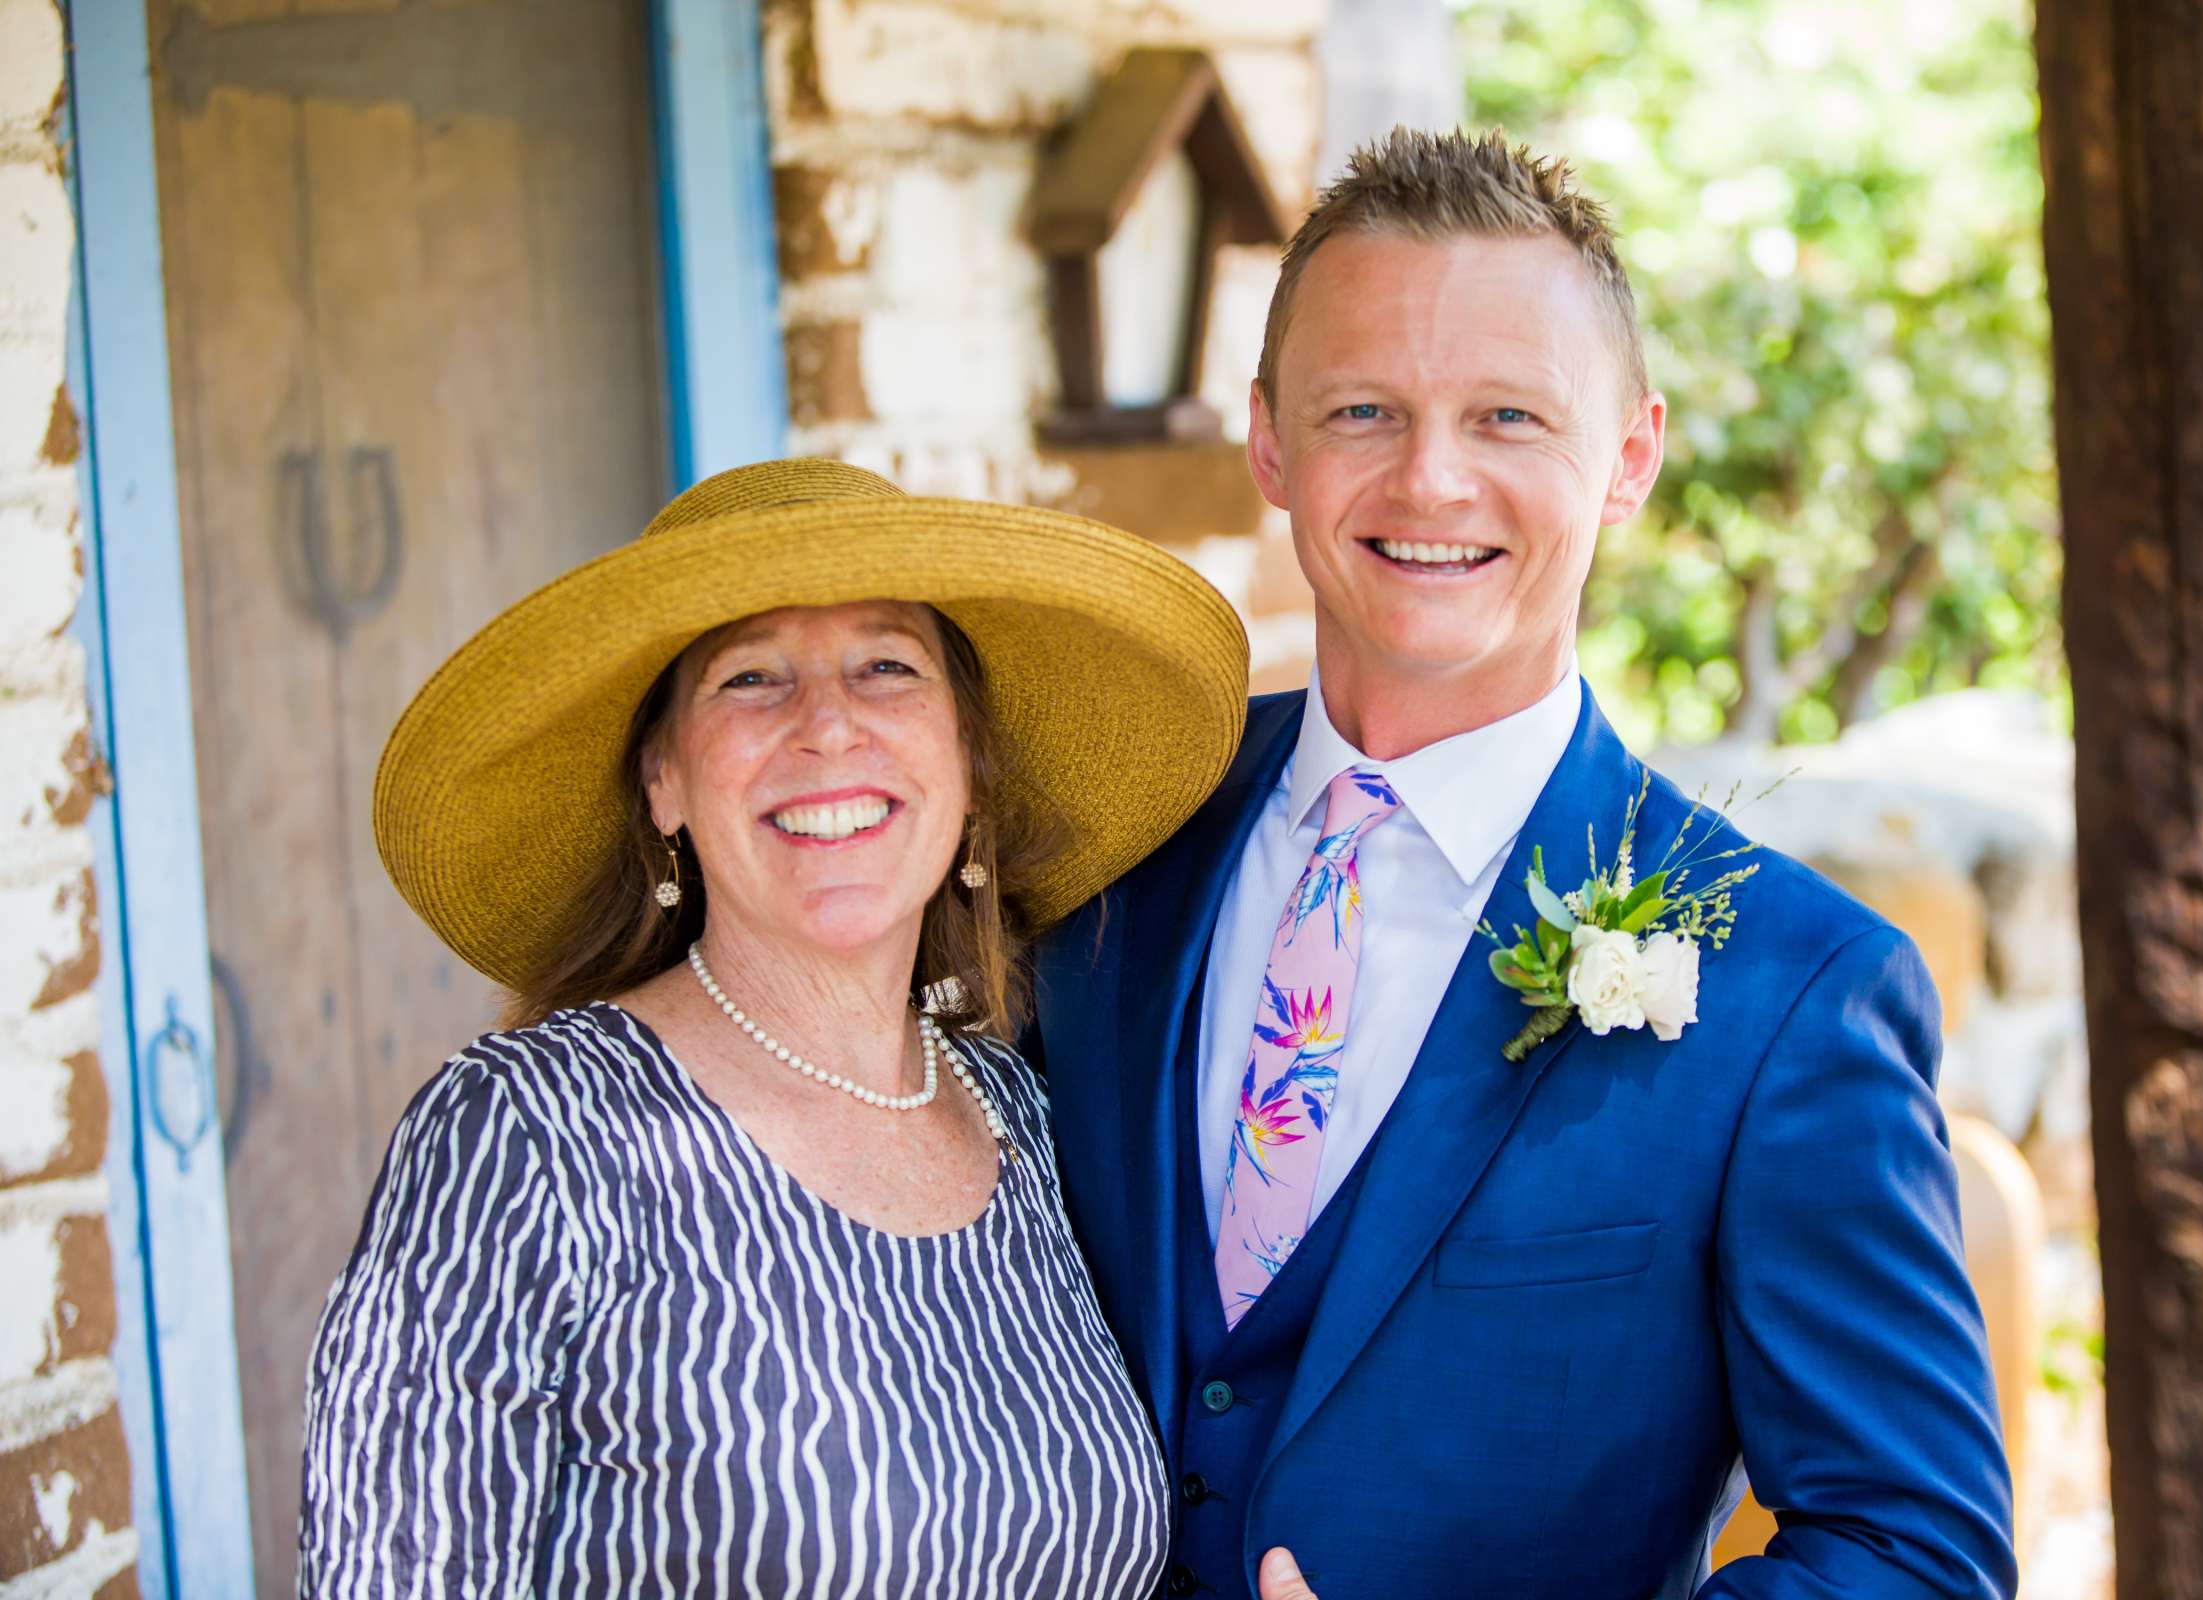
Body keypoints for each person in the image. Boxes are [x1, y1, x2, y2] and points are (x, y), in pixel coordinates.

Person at [1032, 129, 2018, 1598]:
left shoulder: (1793, 994)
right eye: (1363, 409)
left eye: (1508, 418)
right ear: (1270, 446)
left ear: (1628, 459)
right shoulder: (1106, 845)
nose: (1431, 480)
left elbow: (1914, 1553)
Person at [299, 458, 1283, 1596]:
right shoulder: (525, 1135)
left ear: (966, 764)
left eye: (885, 665)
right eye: (752, 677)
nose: (827, 726)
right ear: (663, 780)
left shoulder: (1022, 1115)